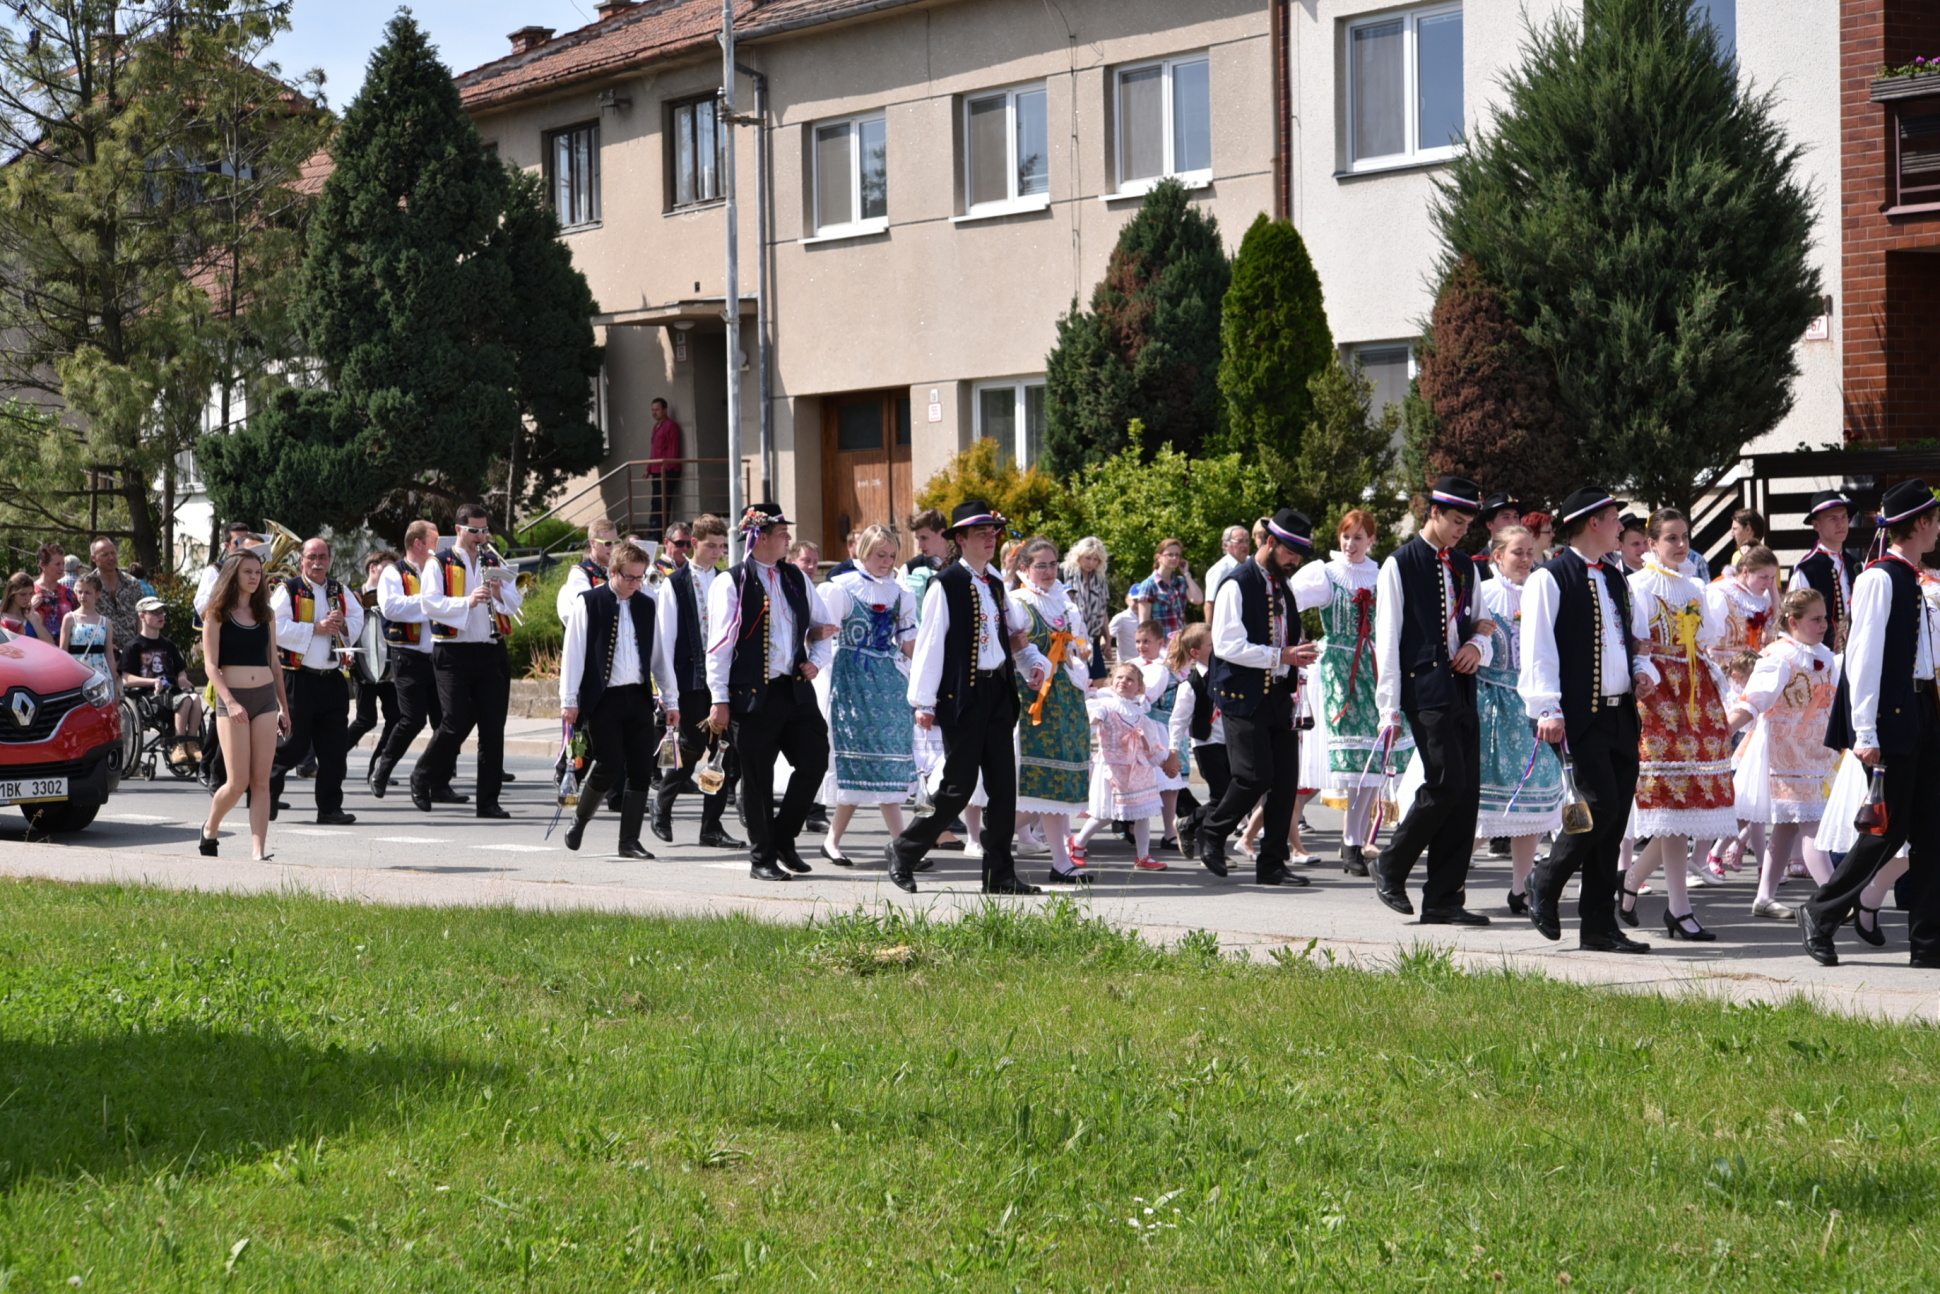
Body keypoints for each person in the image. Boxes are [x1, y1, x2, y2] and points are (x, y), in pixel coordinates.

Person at [1800, 479, 1940, 968]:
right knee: (1887, 828)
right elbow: (1862, 660)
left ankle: (1928, 944)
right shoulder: (1880, 578)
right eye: (1935, 520)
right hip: (1892, 717)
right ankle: (1821, 911)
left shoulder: (1917, 578)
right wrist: (1865, 732)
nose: (1939, 528)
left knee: (1932, 829)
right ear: (1919, 524)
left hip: (1924, 710)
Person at [884, 499, 1051, 895]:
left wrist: (1032, 663)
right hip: (963, 695)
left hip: (998, 693)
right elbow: (930, 646)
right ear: (960, 539)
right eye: (981, 533)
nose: (990, 538)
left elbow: (1014, 635)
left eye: (993, 532)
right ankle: (904, 850)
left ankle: (999, 874)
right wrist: (923, 703)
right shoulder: (946, 584)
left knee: (1003, 788)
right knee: (957, 786)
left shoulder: (994, 582)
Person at [1521, 486, 1658, 953]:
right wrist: (1547, 707)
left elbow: (1632, 642)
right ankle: (1545, 877)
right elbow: (1537, 649)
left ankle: (1598, 925)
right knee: (1597, 808)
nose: (1622, 526)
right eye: (1615, 518)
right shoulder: (1550, 577)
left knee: (1614, 820)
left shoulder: (1616, 576)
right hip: (1579, 715)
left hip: (1622, 713)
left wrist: (1642, 671)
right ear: (1594, 523)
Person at [1368, 477, 1495, 925]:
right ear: (1434, 513)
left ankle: (1444, 899)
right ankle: (1390, 863)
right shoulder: (1399, 563)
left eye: (1467, 524)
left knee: (1465, 793)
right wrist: (1388, 708)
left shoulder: (1465, 566)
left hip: (1461, 686)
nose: (1462, 530)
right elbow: (1387, 638)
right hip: (1423, 687)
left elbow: (1483, 625)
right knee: (1445, 781)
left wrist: (1477, 647)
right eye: (1456, 521)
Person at [1618, 508, 1735, 942]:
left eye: (1684, 536)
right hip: (1658, 692)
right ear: (1651, 543)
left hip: (1695, 690)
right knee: (1671, 801)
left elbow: (1704, 640)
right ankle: (1677, 908)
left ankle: (1637, 886)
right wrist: (1646, 675)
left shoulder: (1696, 587)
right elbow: (1636, 644)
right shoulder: (1638, 586)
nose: (1681, 545)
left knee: (1686, 805)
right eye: (1671, 538)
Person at [707, 503, 838, 882]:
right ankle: (761, 858)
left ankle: (782, 838)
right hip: (751, 697)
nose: (788, 539)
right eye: (782, 533)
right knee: (758, 780)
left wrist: (817, 660)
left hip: (794, 690)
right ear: (761, 538)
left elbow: (825, 625)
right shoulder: (731, 582)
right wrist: (719, 699)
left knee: (815, 760)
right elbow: (719, 646)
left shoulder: (795, 577)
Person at [1197, 507, 1319, 886]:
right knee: (1253, 777)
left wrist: (1298, 654)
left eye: (1299, 555)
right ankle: (1211, 832)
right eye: (1290, 552)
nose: (1295, 561)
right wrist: (1281, 655)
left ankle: (1272, 864)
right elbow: (1227, 645)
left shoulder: (1283, 585)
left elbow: (1283, 634)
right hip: (1242, 694)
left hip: (1279, 694)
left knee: (1285, 781)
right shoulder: (1236, 583)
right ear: (1269, 542)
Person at [1289, 509, 1415, 876]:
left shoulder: (1383, 574)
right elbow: (1286, 603)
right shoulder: (1325, 573)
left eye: (1358, 537)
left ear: (1372, 540)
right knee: (1355, 762)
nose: (1350, 544)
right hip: (1339, 672)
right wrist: (1293, 647)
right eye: (1346, 536)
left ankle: (1354, 842)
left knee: (1375, 761)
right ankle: (1350, 842)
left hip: (1375, 669)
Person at [559, 540, 679, 856]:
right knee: (609, 764)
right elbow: (573, 653)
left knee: (640, 768)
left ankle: (628, 841)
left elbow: (659, 656)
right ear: (613, 572)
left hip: (637, 696)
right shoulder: (589, 602)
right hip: (603, 699)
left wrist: (671, 700)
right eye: (629, 577)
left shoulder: (646, 604)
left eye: (640, 577)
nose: (635, 584)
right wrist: (569, 700)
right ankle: (579, 820)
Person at [1727, 589, 1839, 922]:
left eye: (1824, 618)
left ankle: (1764, 897)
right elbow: (1753, 701)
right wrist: (1722, 731)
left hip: (1818, 752)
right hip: (1786, 752)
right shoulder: (1778, 657)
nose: (1823, 625)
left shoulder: (1825, 655)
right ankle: (1837, 900)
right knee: (1812, 827)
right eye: (1815, 619)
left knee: (1788, 827)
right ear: (1793, 622)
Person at [814, 524, 921, 865]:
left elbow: (909, 643)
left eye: (891, 555)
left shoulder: (901, 593)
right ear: (864, 553)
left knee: (886, 761)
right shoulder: (842, 588)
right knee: (857, 761)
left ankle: (899, 847)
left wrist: (927, 678)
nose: (886, 561)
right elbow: (821, 636)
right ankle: (895, 847)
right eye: (880, 555)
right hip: (852, 681)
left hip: (890, 683)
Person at [412, 503, 522, 819]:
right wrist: (467, 602)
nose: (481, 536)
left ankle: (488, 802)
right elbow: (429, 604)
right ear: (459, 530)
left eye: (484, 530)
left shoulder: (494, 562)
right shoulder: (439, 562)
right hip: (452, 652)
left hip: (490, 651)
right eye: (474, 531)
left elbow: (515, 603)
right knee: (455, 721)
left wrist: (499, 593)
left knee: (493, 728)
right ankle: (422, 775)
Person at [1474, 526, 1562, 912]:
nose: (1526, 560)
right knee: (1484, 807)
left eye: (1530, 552)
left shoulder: (1541, 591)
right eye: (1517, 553)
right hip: (1492, 707)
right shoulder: (1483, 594)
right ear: (1497, 556)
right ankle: (1448, 881)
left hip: (1532, 708)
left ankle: (1521, 888)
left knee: (1531, 805)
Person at [653, 513, 742, 848]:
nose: (717, 552)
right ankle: (662, 805)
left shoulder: (727, 580)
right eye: (711, 546)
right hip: (689, 679)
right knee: (690, 747)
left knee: (723, 750)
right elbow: (665, 641)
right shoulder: (674, 583)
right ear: (693, 544)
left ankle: (711, 826)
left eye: (721, 546)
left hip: (722, 679)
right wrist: (667, 693)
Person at [1010, 535, 1093, 884]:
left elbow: (1079, 646)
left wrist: (1079, 665)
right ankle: (997, 835)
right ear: (1024, 568)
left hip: (1067, 698)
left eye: (1052, 564)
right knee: (1042, 783)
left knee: (1061, 784)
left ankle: (1059, 861)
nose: (1048, 571)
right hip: (1035, 701)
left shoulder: (1063, 602)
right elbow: (1013, 651)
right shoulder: (1017, 603)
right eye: (1040, 565)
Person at [268, 537, 363, 826]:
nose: (318, 562)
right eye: (312, 557)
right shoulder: (288, 589)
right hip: (298, 679)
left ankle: (330, 808)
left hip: (332, 679)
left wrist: (343, 624)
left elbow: (358, 620)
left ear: (330, 560)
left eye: (323, 557)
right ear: (302, 561)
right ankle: (266, 793)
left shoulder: (339, 589)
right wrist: (315, 628)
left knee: (334, 750)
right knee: (293, 745)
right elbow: (275, 628)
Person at [200, 551, 289, 860]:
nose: (254, 577)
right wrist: (230, 701)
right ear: (234, 575)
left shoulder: (266, 614)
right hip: (233, 700)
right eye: (248, 571)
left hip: (264, 698)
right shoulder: (216, 613)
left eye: (257, 572)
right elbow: (210, 666)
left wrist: (284, 707)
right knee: (237, 783)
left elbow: (274, 664)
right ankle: (210, 827)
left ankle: (258, 852)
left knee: (261, 782)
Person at [368, 521, 464, 805]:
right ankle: (382, 768)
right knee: (412, 720)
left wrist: (438, 603)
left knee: (447, 722)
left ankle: (440, 783)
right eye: (435, 540)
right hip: (408, 656)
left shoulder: (440, 570)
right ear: (418, 543)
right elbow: (392, 608)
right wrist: (432, 603)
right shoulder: (393, 572)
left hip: (439, 655)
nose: (441, 545)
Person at [1072, 663, 1177, 871]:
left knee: (1142, 812)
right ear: (1111, 682)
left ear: (1139, 688)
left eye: (1130, 679)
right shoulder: (1105, 706)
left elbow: (1151, 743)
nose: (1123, 682)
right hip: (1114, 768)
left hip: (1139, 769)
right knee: (1107, 813)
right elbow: (1089, 722)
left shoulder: (1140, 713)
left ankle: (1143, 856)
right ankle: (1078, 842)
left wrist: (1166, 761)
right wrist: (1089, 713)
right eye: (1119, 678)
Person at [1164, 624, 1225, 855]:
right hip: (1207, 744)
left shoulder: (1226, 674)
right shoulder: (1190, 684)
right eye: (1211, 645)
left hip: (1231, 742)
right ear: (1195, 653)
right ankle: (1211, 845)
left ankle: (1189, 824)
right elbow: (1178, 721)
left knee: (1236, 796)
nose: (1217, 648)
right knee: (1222, 797)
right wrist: (1172, 751)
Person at [344, 550, 402, 787]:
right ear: (373, 568)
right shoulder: (354, 597)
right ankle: (334, 755)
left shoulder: (395, 596)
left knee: (396, 718)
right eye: (387, 568)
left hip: (389, 669)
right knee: (366, 719)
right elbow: (345, 628)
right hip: (363, 666)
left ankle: (378, 767)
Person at [118, 595, 204, 751]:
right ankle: (178, 745)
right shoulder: (133, 646)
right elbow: (126, 680)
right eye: (154, 612)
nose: (160, 616)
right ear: (142, 616)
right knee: (185, 700)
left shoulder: (168, 644)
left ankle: (191, 743)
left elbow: (180, 671)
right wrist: (153, 682)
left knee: (195, 699)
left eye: (161, 612)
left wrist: (182, 678)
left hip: (172, 692)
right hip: (149, 697)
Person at [1790, 490, 1857, 653]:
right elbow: (1795, 620)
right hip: (1820, 655)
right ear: (1816, 525)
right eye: (1833, 519)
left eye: (1844, 517)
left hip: (1853, 652)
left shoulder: (1855, 564)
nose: (1841, 524)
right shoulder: (1807, 569)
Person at [1129, 538, 1203, 641]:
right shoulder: (1149, 585)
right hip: (1161, 643)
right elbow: (1144, 622)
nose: (1174, 558)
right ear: (1159, 557)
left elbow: (1198, 599)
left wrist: (1187, 574)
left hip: (1180, 642)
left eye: (1177, 555)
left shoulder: (1180, 582)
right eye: (1170, 554)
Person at [60, 573, 116, 691]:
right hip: (77, 670)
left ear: (97, 594)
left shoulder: (105, 622)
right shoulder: (70, 618)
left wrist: (114, 686)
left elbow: (109, 656)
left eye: (87, 592)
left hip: (101, 671)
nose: (83, 596)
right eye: (80, 592)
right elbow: (63, 652)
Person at [86, 537, 144, 649]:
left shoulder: (132, 583)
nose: (111, 558)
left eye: (113, 553)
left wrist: (142, 644)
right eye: (105, 555)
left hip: (132, 651)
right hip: (101, 652)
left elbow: (141, 616)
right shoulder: (88, 586)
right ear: (94, 558)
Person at [555, 519, 618, 621]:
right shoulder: (579, 573)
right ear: (593, 543)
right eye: (608, 543)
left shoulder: (621, 568)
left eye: (616, 542)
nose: (613, 547)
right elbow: (586, 607)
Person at [195, 521, 259, 617]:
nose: (244, 547)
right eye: (238, 542)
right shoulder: (214, 570)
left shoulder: (257, 569)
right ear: (227, 546)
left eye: (247, 542)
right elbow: (201, 605)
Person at [902, 509, 950, 616]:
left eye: (924, 538)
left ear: (942, 533)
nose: (920, 545)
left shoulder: (964, 562)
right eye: (918, 539)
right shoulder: (910, 568)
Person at [645, 397, 682, 535]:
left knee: (662, 502)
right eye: (653, 410)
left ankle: (658, 534)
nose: (654, 412)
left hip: (667, 471)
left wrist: (668, 468)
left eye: (657, 409)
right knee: (655, 502)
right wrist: (648, 468)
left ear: (665, 410)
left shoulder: (671, 426)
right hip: (656, 470)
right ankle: (654, 531)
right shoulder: (656, 427)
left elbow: (673, 449)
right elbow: (654, 451)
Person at [1471, 492, 1522, 580]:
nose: (1514, 522)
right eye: (1506, 517)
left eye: (1516, 516)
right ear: (1490, 524)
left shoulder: (1526, 562)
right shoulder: (1477, 565)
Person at [1202, 525, 1251, 608]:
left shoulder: (1252, 563)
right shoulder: (1219, 570)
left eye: (1247, 541)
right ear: (1226, 545)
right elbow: (1210, 603)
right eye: (1239, 541)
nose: (1245, 545)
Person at [1, 572, 50, 639]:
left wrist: (33, 620)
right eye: (23, 594)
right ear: (12, 594)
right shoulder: (2, 616)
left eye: (30, 593)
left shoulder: (34, 615)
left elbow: (50, 643)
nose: (28, 598)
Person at [1724, 507, 1768, 576]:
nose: (1732, 534)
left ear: (1748, 529)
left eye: (1735, 529)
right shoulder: (1770, 557)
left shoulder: (1738, 556)